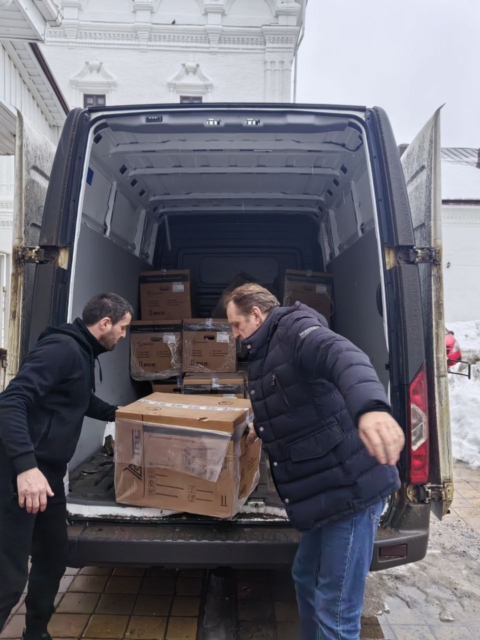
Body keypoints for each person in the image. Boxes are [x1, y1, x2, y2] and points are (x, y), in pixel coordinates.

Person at [225, 284, 404, 640]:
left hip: (350, 491)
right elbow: (294, 397)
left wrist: (370, 407)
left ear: (256, 315)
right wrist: (263, 426)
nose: (233, 334)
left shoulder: (296, 329)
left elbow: (342, 355)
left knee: (335, 613)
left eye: (235, 324)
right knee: (305, 577)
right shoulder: (265, 349)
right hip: (324, 492)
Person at [0, 293, 133, 639]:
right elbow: (11, 401)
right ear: (105, 323)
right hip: (20, 476)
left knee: (52, 556)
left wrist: (122, 415)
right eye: (122, 328)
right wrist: (25, 467)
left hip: (49, 476)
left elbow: (77, 398)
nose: (123, 336)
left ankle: (36, 633)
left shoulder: (82, 352)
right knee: (8, 579)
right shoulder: (61, 350)